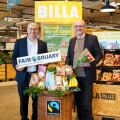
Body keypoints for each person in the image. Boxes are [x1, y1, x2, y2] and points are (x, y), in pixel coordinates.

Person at [65, 19, 103, 120]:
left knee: (86, 104)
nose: (78, 28)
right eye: (76, 26)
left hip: (87, 77)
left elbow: (99, 55)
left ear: (85, 27)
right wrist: (66, 65)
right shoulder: (72, 40)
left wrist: (90, 63)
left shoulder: (92, 39)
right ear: (74, 28)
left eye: (81, 26)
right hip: (74, 77)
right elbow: (69, 56)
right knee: (78, 103)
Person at [12, 22, 48, 120]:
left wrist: (45, 64)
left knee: (36, 99)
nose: (33, 31)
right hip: (23, 75)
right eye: (30, 29)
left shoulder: (43, 44)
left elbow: (45, 60)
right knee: (23, 100)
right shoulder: (19, 42)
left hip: (36, 76)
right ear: (27, 30)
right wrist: (16, 66)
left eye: (35, 29)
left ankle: (35, 118)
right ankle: (24, 118)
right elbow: (14, 57)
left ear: (38, 31)